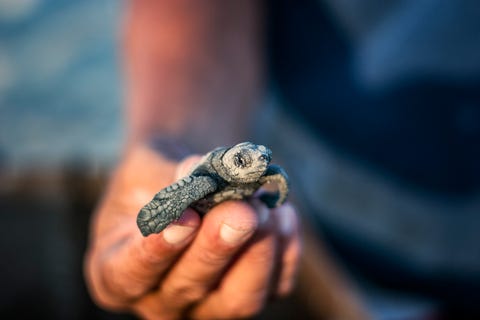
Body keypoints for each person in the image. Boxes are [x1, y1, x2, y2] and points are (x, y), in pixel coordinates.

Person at [85, 0, 480, 319]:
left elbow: (272, 177)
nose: (257, 165)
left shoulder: (261, 170)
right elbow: (189, 181)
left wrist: (274, 193)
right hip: (358, 269)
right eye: (246, 161)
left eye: (259, 161)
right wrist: (172, 143)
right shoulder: (208, 177)